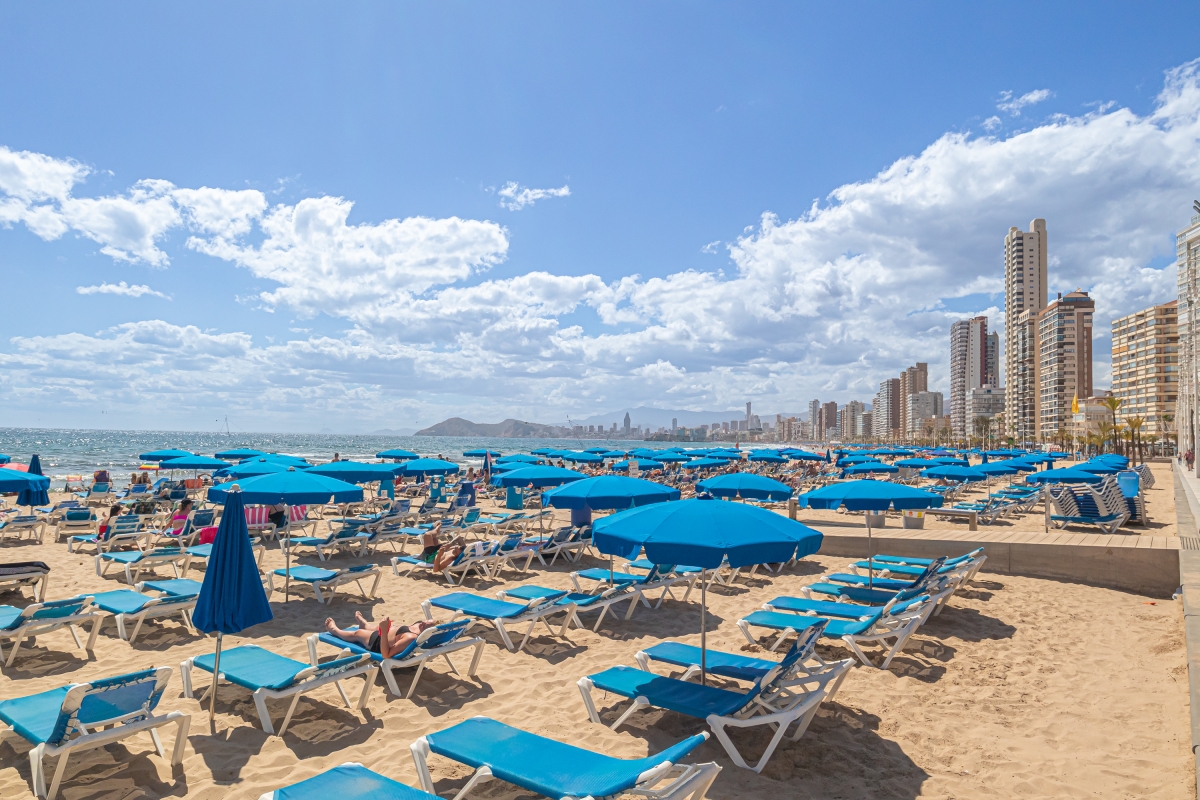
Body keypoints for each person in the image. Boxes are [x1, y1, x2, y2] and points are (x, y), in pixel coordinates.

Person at [324, 612, 437, 658]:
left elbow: (386, 654)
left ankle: (335, 630)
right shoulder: (419, 627)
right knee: (376, 628)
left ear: (428, 632)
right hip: (386, 633)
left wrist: (384, 631)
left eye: (425, 625)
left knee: (357, 633)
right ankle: (365, 625)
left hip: (379, 642)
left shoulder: (411, 637)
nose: (423, 622)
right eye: (426, 620)